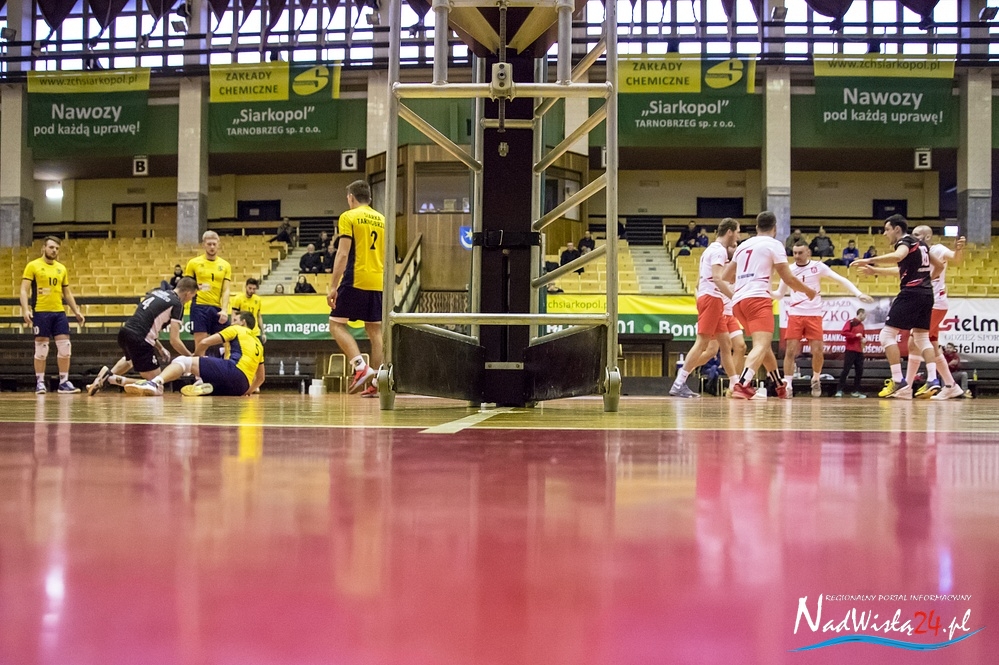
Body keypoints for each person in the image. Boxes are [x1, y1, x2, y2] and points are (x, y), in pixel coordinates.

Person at [721, 211, 817, 400]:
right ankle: (742, 384)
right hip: (757, 299)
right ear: (775, 228)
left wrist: (746, 277)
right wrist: (808, 291)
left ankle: (779, 385)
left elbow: (726, 276)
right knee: (761, 345)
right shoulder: (774, 245)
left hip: (738, 301)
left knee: (763, 346)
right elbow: (788, 278)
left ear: (757, 227)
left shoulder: (743, 245)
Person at [863, 226, 967, 400]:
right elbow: (901, 271)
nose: (914, 237)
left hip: (934, 301)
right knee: (929, 342)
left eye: (918, 235)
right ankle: (950, 385)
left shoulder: (936, 249)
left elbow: (955, 260)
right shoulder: (916, 251)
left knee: (914, 341)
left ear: (928, 237)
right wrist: (876, 271)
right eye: (913, 234)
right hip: (929, 299)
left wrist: (958, 250)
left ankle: (911, 385)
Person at [851, 215, 945, 399]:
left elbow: (897, 256)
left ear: (897, 229)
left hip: (911, 293)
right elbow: (939, 266)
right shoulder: (921, 244)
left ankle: (897, 380)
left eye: (887, 229)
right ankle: (933, 379)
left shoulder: (905, 241)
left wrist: (868, 260)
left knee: (886, 335)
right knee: (922, 338)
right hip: (927, 294)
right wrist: (876, 271)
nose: (885, 234)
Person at [773, 242, 872, 397]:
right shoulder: (789, 270)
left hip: (814, 314)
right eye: (794, 253)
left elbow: (840, 279)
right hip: (795, 314)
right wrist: (762, 290)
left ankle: (816, 378)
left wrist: (858, 293)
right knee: (790, 351)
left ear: (808, 252)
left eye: (800, 253)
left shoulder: (818, 267)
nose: (797, 256)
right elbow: (779, 294)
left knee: (818, 351)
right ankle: (788, 384)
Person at [87, 278, 198, 395]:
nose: (190, 300)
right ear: (188, 293)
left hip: (125, 332)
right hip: (140, 339)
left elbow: (145, 323)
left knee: (130, 360)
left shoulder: (157, 293)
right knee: (156, 386)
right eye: (192, 296)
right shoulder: (177, 304)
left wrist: (160, 348)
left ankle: (99, 381)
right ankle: (110, 379)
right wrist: (191, 358)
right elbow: (174, 341)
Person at [669, 218, 740, 398]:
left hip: (712, 299)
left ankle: (736, 384)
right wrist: (735, 297)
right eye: (737, 232)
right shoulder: (719, 251)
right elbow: (717, 278)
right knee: (702, 343)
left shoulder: (711, 249)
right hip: (712, 299)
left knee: (725, 344)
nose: (738, 236)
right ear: (730, 231)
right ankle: (679, 383)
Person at [328, 179, 385, 396]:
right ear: (369, 198)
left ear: (351, 198)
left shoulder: (348, 216)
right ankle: (378, 382)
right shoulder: (382, 219)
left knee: (336, 324)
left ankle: (360, 366)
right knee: (375, 331)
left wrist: (333, 286)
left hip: (356, 277)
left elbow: (343, 253)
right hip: (378, 280)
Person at [125, 311, 265, 397]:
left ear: (243, 322)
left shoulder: (237, 330)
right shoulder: (258, 343)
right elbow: (260, 378)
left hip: (233, 370)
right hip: (242, 386)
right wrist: (247, 391)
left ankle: (155, 383)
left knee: (183, 360)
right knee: (210, 370)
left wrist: (194, 359)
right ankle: (204, 385)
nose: (232, 323)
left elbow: (204, 342)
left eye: (235, 320)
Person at [20, 236, 86, 394]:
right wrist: (25, 309)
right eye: (51, 247)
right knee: (41, 348)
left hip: (59, 312)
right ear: (44, 248)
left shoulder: (61, 268)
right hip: (41, 312)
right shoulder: (33, 266)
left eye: (57, 248)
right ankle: (40, 382)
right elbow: (24, 290)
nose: (54, 250)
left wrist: (76, 311)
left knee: (65, 347)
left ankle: (64, 382)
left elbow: (67, 292)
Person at [184, 230, 232, 356]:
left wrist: (224, 310)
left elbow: (226, 290)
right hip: (199, 306)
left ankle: (228, 364)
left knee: (229, 339)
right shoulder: (193, 263)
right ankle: (198, 367)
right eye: (209, 244)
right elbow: (187, 286)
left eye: (214, 244)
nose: (212, 247)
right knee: (201, 343)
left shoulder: (225, 265)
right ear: (203, 245)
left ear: (218, 244)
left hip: (217, 308)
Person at [835, 308, 867, 398]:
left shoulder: (862, 325)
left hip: (859, 351)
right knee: (846, 370)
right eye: (865, 315)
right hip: (850, 350)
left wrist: (864, 339)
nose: (865, 317)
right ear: (860, 314)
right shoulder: (851, 322)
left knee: (859, 371)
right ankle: (839, 390)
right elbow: (844, 332)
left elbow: (863, 336)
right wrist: (854, 335)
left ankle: (856, 391)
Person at [231, 277, 266, 344]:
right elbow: (234, 315)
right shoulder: (238, 298)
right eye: (250, 288)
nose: (252, 291)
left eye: (254, 289)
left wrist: (263, 332)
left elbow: (259, 316)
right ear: (246, 286)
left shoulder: (258, 299)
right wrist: (233, 329)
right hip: (243, 331)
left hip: (255, 332)